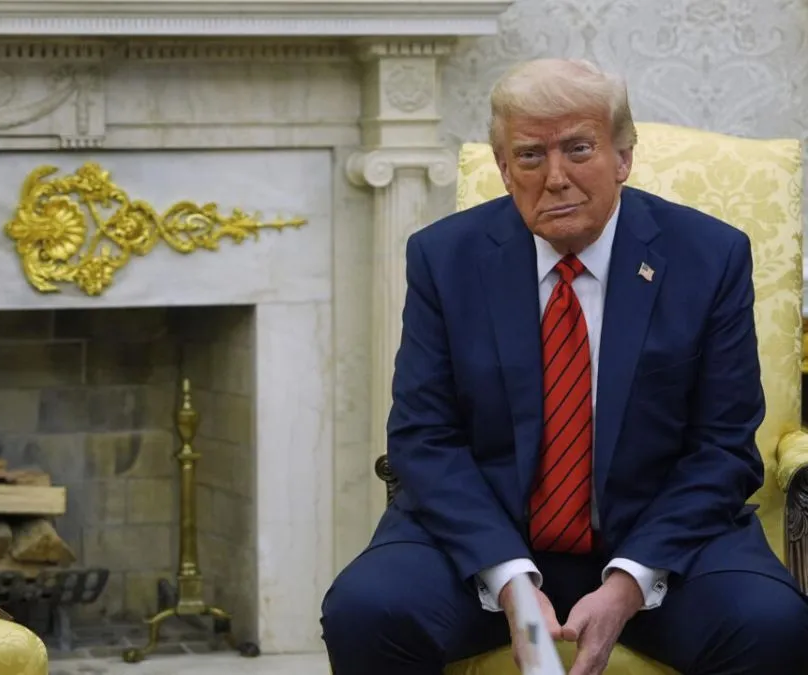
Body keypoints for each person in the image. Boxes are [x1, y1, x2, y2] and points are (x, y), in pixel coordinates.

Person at [321, 58, 808, 675]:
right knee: (365, 610)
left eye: (579, 148)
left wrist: (629, 582)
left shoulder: (709, 257)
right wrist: (513, 586)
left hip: (662, 542)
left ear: (623, 157)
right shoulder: (445, 258)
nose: (556, 178)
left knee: (770, 625)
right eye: (530, 155)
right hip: (487, 540)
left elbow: (723, 449)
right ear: (504, 169)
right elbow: (424, 437)